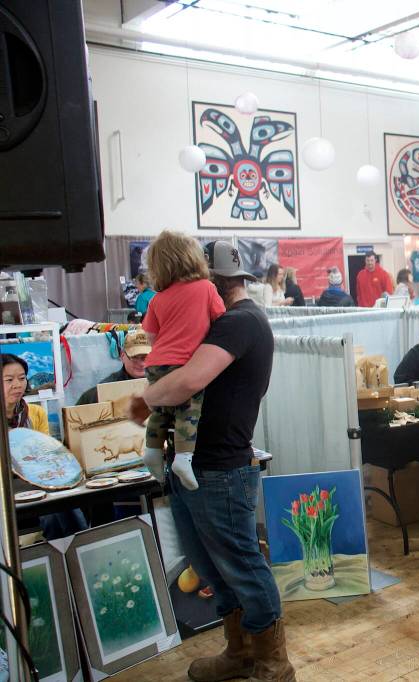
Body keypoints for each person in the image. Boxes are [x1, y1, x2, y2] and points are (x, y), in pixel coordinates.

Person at [134, 240, 293, 681]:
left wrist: (142, 399)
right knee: (210, 565)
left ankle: (273, 661)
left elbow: (187, 381)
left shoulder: (239, 322)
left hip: (221, 468)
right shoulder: (230, 320)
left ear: (209, 280)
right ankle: (240, 651)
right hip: (199, 464)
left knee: (241, 565)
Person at [141, 230, 226, 491]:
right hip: (184, 362)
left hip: (156, 363)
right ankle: (183, 458)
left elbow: (151, 336)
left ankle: (152, 450)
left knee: (161, 410)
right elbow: (222, 322)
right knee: (188, 411)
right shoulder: (206, 288)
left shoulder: (157, 299)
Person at [4, 354, 89, 539]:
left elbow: (46, 452)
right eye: (9, 380)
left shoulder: (35, 413)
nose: (17, 385)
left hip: (39, 479)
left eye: (22, 378)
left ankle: (78, 544)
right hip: (7, 486)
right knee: (51, 511)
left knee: (65, 500)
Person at [76, 329, 150, 405]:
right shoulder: (103, 390)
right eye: (135, 357)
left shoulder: (161, 383)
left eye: (146, 357)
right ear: (122, 356)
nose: (141, 363)